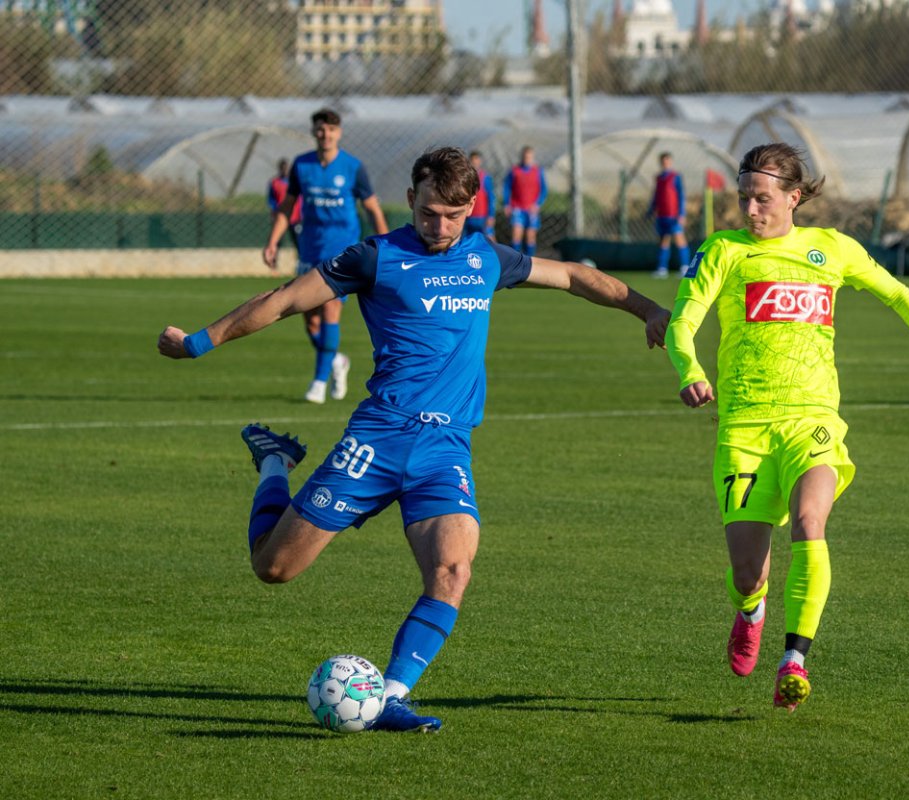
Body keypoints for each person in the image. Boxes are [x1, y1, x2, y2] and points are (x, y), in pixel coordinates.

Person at [158, 146, 670, 733]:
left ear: (472, 207)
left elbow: (576, 275)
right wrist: (199, 341)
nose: (440, 226)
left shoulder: (488, 259)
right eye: (429, 213)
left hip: (444, 449)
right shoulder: (375, 257)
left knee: (453, 571)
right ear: (411, 200)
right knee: (273, 568)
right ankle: (275, 463)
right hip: (376, 441)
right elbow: (283, 301)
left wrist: (648, 309)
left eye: (453, 215)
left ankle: (389, 698)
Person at [664, 143, 909, 712]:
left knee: (810, 523)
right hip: (745, 427)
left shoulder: (831, 249)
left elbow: (898, 295)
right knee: (746, 570)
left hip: (813, 418)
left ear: (794, 197)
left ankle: (794, 660)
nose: (751, 211)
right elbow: (683, 321)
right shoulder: (723, 251)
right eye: (744, 199)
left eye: (762, 199)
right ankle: (751, 608)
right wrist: (690, 369)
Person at [262, 108, 390, 405]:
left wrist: (386, 244)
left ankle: (319, 382)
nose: (326, 134)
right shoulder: (301, 166)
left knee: (331, 310)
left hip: (343, 251)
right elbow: (287, 207)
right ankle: (335, 361)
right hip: (310, 249)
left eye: (331, 129)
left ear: (339, 133)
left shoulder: (352, 167)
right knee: (310, 322)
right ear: (314, 132)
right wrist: (273, 241)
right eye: (321, 129)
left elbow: (372, 208)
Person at [648, 152, 691, 279]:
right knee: (663, 242)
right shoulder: (659, 177)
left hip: (674, 216)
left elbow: (681, 196)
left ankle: (685, 267)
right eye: (663, 161)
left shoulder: (675, 177)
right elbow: (656, 195)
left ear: (670, 162)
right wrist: (651, 209)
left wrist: (682, 214)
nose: (665, 163)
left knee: (680, 240)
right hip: (662, 216)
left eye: (667, 160)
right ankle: (662, 269)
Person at [502, 145, 546, 256]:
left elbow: (543, 190)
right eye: (526, 157)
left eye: (530, 157)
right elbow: (507, 187)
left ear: (533, 158)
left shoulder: (538, 171)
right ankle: (515, 263)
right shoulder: (514, 171)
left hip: (531, 210)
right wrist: (507, 204)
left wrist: (537, 204)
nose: (528, 159)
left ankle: (530, 263)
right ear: (522, 157)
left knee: (530, 237)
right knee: (516, 235)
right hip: (517, 208)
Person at [267, 158, 302, 254]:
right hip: (281, 217)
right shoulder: (274, 182)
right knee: (276, 242)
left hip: (295, 217)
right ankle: (273, 264)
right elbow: (272, 200)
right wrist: (273, 213)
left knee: (299, 242)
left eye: (287, 168)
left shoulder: (296, 182)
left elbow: (302, 199)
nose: (285, 170)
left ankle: (301, 262)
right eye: (283, 168)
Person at [464, 150, 495, 241]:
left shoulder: (486, 178)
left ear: (480, 162)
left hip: (483, 218)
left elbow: (491, 198)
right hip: (469, 218)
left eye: (476, 161)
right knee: (468, 242)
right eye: (472, 162)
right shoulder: (464, 178)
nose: (475, 164)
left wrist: (491, 215)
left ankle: (498, 255)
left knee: (490, 242)